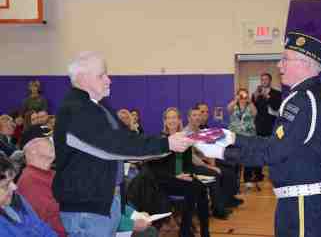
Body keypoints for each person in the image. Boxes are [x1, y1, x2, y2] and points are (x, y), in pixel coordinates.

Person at [52, 51, 193, 237]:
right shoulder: (76, 110)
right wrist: (166, 144)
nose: (108, 80)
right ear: (83, 78)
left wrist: (168, 144)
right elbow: (113, 146)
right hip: (88, 209)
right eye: (101, 75)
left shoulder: (97, 106)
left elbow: (128, 139)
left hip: (105, 203)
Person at [227, 32, 321, 237]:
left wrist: (224, 151)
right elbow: (277, 143)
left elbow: (274, 152)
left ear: (304, 63)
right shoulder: (309, 95)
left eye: (285, 59)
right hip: (304, 201)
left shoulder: (304, 98)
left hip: (305, 205)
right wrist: (233, 139)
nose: (279, 65)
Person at [147, 107, 210, 237]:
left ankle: (204, 230)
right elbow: (154, 169)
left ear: (179, 120)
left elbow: (188, 165)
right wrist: (176, 175)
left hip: (181, 179)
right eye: (169, 118)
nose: (172, 120)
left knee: (202, 187)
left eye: (174, 117)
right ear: (164, 121)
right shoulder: (159, 140)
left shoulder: (184, 139)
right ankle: (185, 231)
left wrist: (188, 175)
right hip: (163, 181)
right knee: (194, 189)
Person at [17, 125, 67, 237]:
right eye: (48, 140)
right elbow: (52, 221)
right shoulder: (30, 181)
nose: (54, 141)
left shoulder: (51, 173)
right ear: (33, 150)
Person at [0, 155, 58, 237]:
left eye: (12, 181)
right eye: (6, 185)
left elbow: (40, 225)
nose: (14, 187)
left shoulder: (17, 198)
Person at [252, 72, 282, 181]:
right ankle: (258, 174)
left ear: (270, 81)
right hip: (259, 126)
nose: (263, 81)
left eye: (266, 79)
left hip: (272, 126)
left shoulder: (277, 93)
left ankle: (274, 174)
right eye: (262, 79)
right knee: (259, 150)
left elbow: (276, 107)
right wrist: (254, 97)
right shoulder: (257, 93)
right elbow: (253, 109)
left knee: (273, 150)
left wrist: (267, 96)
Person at [227, 88, 257, 191]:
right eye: (241, 95)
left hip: (248, 135)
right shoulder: (234, 105)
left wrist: (250, 101)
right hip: (235, 136)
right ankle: (234, 180)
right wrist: (235, 100)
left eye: (244, 95)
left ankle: (248, 179)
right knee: (235, 158)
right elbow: (228, 109)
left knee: (247, 157)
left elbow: (255, 113)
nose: (242, 97)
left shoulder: (250, 105)